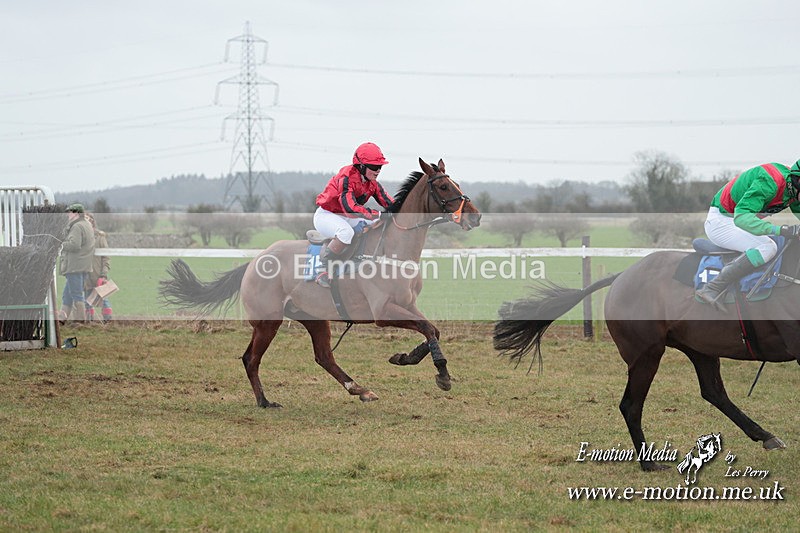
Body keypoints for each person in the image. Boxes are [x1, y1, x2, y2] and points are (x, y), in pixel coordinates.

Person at [695, 160, 800, 310]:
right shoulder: (770, 182)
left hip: (738, 222)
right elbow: (742, 218)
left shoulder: (792, 189)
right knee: (768, 247)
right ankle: (712, 288)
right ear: (797, 182)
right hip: (722, 222)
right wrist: (781, 230)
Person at [313, 142, 395, 288]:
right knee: (346, 233)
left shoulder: (372, 183)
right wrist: (378, 214)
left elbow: (391, 204)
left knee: (377, 224)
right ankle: (322, 269)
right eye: (375, 167)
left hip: (347, 216)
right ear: (361, 166)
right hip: (327, 215)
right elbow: (350, 208)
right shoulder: (346, 177)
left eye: (380, 167)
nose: (378, 171)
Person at [59, 203, 95, 323]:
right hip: (82, 265)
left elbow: (74, 245)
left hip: (74, 266)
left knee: (76, 295)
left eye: (70, 212)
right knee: (67, 296)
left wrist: (59, 245)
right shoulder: (87, 224)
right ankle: (61, 320)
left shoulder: (77, 227)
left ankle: (80, 322)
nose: (68, 214)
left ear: (76, 214)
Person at [83, 212, 113, 322]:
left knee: (104, 298)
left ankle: (108, 321)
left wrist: (103, 274)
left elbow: (106, 257)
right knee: (87, 300)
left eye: (88, 219)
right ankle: (89, 322)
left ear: (92, 222)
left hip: (98, 274)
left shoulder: (100, 237)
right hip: (85, 274)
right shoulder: (80, 237)